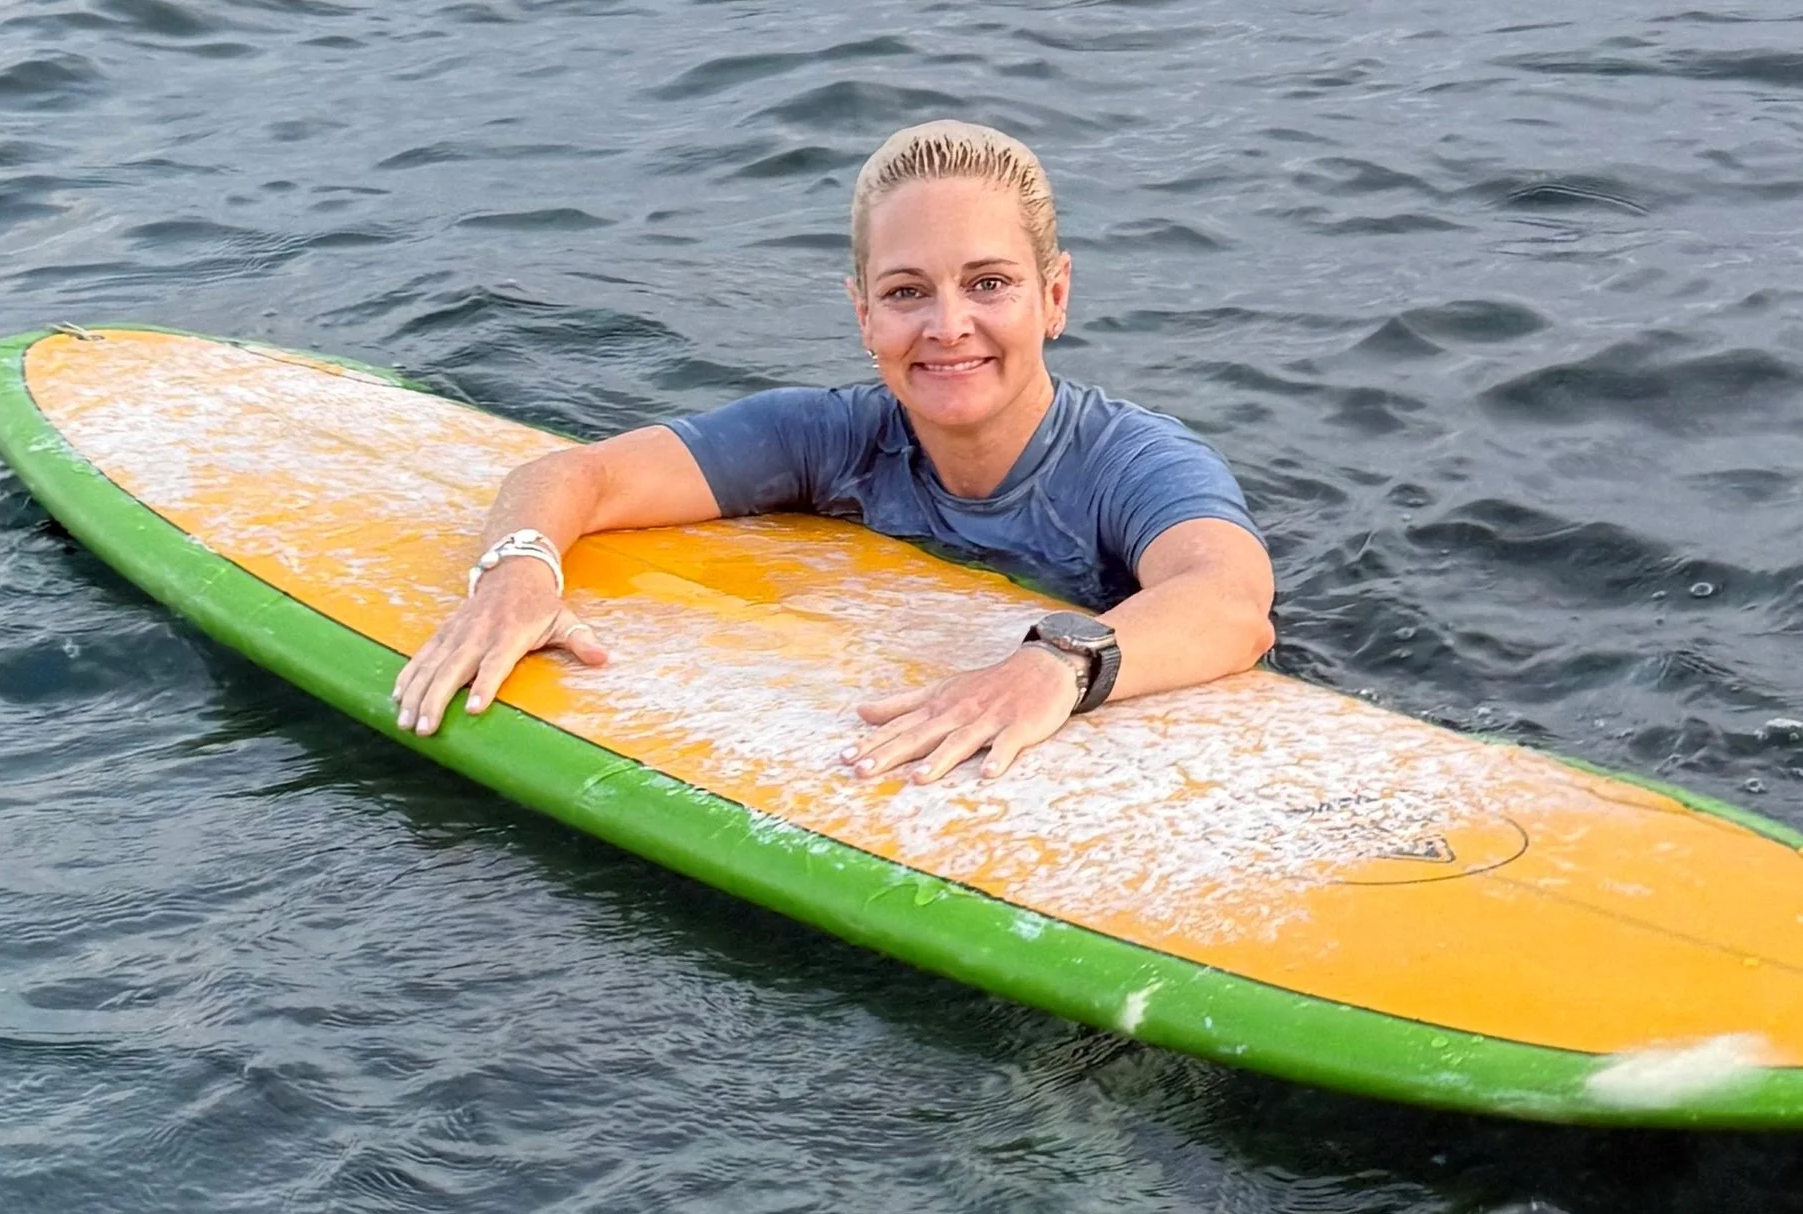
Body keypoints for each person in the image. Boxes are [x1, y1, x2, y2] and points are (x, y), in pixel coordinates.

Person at [391, 120, 1279, 783]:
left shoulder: (1134, 463)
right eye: (906, 292)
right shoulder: (828, 439)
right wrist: (517, 577)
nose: (947, 326)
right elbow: (572, 476)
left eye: (989, 284)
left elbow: (1232, 604)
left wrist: (1057, 664)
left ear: (1054, 295)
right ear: (863, 316)